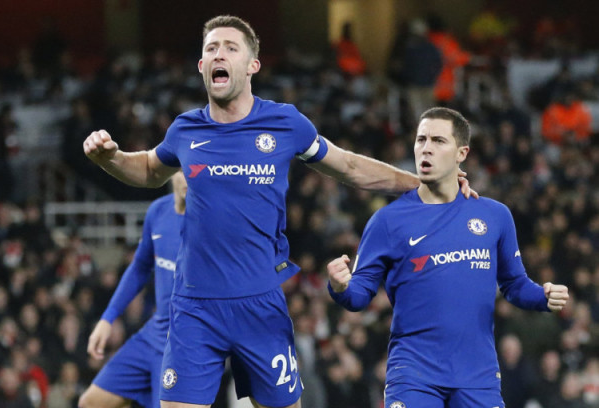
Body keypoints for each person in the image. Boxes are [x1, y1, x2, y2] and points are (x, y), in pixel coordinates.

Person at [83, 16, 475, 408]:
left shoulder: (285, 123)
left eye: (230, 48)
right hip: (194, 308)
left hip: (260, 306)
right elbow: (149, 170)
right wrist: (111, 159)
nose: (219, 54)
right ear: (202, 66)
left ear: (252, 65)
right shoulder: (185, 129)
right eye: (211, 49)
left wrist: (421, 184)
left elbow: (349, 167)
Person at [327, 106, 569, 408]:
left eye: (438, 141)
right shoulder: (387, 221)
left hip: (477, 375)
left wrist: (542, 296)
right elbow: (359, 296)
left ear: (461, 153)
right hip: (413, 375)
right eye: (421, 140)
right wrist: (339, 286)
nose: (426, 148)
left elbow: (514, 284)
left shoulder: (494, 215)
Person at [78, 171, 186, 408]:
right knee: (90, 403)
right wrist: (107, 318)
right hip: (154, 333)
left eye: (196, 169)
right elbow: (140, 267)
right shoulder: (158, 211)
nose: (189, 177)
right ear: (170, 171)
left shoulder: (211, 222)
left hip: (185, 344)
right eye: (182, 170)